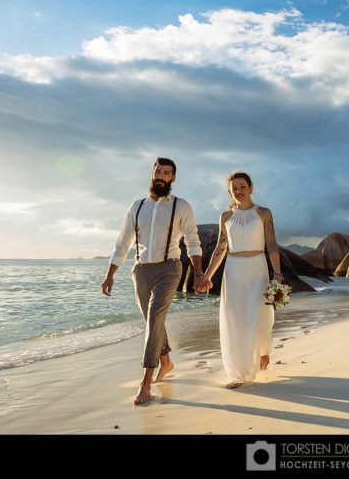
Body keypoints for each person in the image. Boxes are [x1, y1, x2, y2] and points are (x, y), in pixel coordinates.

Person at [101, 157, 207, 405]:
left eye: (166, 172)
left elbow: (193, 240)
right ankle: (167, 362)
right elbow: (123, 242)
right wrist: (110, 275)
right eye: (157, 171)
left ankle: (145, 382)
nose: (161, 175)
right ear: (152, 174)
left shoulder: (182, 206)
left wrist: (199, 272)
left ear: (173, 179)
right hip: (141, 270)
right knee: (152, 321)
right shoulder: (137, 206)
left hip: (170, 269)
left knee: (155, 319)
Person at [201, 171, 282, 389]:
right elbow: (221, 248)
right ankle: (239, 372)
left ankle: (263, 352)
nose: (239, 191)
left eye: (243, 186)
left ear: (251, 188)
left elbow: (272, 245)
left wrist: (278, 273)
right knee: (234, 319)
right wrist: (206, 276)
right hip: (233, 270)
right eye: (234, 188)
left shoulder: (263, 213)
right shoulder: (226, 217)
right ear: (230, 191)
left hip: (258, 267)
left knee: (260, 315)